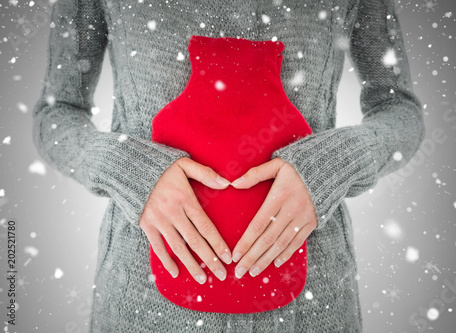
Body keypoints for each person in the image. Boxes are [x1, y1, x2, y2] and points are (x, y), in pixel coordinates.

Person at [32, 0, 425, 331]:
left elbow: (399, 109)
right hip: (140, 305)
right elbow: (56, 114)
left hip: (313, 307)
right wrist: (123, 166)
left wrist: (338, 162)